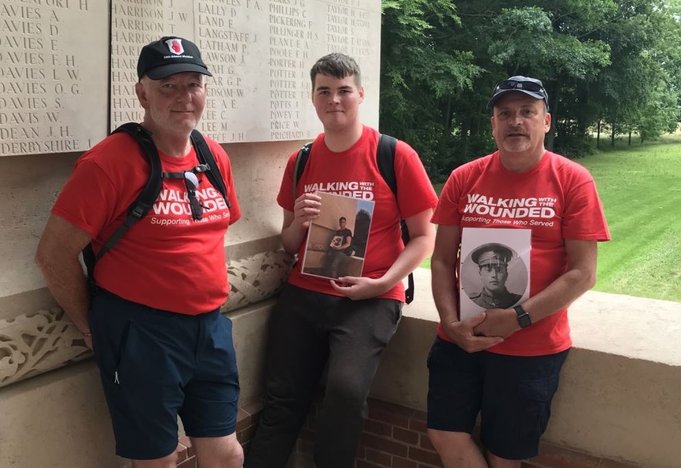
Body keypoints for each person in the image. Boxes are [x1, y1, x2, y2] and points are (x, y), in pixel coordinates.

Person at [35, 36, 243, 467]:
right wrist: (89, 326)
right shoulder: (108, 163)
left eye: (193, 84)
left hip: (210, 330)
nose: (184, 97)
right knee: (157, 461)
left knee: (226, 455)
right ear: (142, 94)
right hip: (142, 333)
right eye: (168, 86)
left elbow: (214, 233)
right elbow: (53, 255)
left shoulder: (213, 156)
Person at [245, 53, 438, 468]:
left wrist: (382, 282)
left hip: (370, 297)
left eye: (344, 90)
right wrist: (301, 219)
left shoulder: (394, 154)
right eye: (324, 91)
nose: (334, 100)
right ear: (313, 98)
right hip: (304, 293)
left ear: (361, 94)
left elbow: (425, 237)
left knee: (346, 394)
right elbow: (289, 243)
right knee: (282, 400)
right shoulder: (301, 160)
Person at [427, 75, 610, 467]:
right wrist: (450, 322)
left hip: (531, 347)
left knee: (504, 455)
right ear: (493, 124)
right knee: (444, 434)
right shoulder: (464, 177)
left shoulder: (573, 180)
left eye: (528, 112)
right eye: (505, 113)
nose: (516, 121)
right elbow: (441, 259)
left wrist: (517, 318)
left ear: (546, 121)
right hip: (459, 338)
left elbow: (583, 272)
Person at [468, 243, 522, 309]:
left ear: (506, 274)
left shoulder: (520, 301)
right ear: (480, 274)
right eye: (488, 270)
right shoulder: (472, 302)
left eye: (499, 269)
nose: (494, 275)